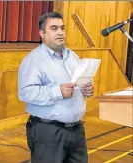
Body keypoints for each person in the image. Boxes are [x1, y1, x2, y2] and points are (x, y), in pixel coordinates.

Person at [18, 12, 94, 163]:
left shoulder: (72, 56)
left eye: (62, 28)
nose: (60, 32)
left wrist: (88, 90)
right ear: (42, 33)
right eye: (54, 28)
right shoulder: (34, 60)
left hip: (76, 130)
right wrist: (57, 91)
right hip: (48, 132)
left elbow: (81, 83)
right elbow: (25, 93)